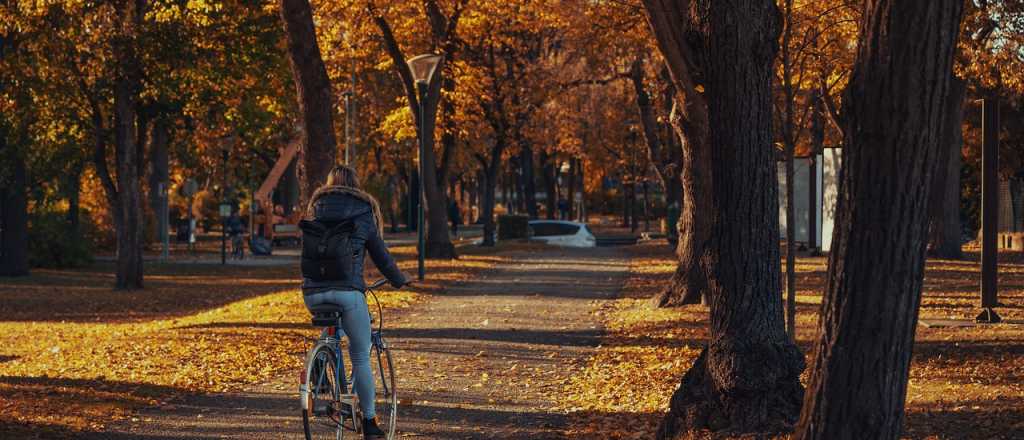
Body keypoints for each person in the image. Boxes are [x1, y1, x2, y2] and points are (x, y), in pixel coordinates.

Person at [302, 165, 408, 439]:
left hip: (312, 293)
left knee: (332, 331)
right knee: (360, 354)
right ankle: (370, 424)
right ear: (355, 185)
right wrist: (399, 279)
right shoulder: (363, 211)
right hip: (348, 292)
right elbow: (381, 256)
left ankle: (321, 361)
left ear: (329, 184)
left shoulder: (314, 208)